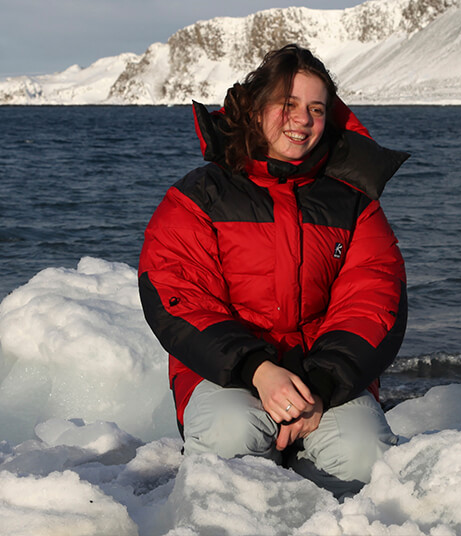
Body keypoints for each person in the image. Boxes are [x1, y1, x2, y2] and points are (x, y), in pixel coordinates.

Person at [138, 44, 409, 498]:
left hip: (327, 380)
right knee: (231, 434)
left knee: (364, 458)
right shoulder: (199, 197)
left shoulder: (355, 205)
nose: (302, 119)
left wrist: (321, 386)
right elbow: (177, 294)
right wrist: (257, 369)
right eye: (288, 104)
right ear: (256, 109)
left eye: (316, 108)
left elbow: (374, 299)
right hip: (226, 375)